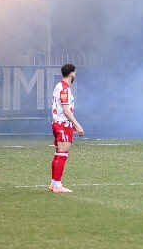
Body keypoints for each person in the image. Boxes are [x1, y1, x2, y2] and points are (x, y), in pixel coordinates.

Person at [49, 63, 84, 193]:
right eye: (75, 73)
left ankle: (53, 184)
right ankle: (58, 185)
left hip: (57, 123)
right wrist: (78, 125)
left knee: (58, 153)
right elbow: (66, 111)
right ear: (72, 73)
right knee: (63, 154)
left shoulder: (59, 86)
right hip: (63, 124)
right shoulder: (64, 89)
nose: (75, 75)